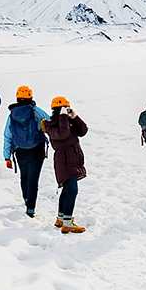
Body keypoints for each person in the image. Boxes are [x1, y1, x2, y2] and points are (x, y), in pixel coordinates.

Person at [42, 96, 88, 234]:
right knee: (72, 189)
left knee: (68, 189)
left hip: (72, 160)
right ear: (58, 110)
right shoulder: (51, 125)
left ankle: (61, 219)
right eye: (64, 108)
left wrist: (75, 117)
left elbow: (83, 131)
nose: (67, 110)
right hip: (64, 161)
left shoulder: (67, 122)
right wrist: (63, 117)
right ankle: (68, 222)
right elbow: (63, 135)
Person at [2, 85, 49, 217]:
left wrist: (7, 156)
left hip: (20, 151)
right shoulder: (35, 111)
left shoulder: (12, 115)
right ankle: (30, 208)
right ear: (30, 97)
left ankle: (26, 199)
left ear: (17, 98)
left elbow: (7, 135)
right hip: (37, 149)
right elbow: (50, 121)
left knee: (24, 176)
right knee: (33, 179)